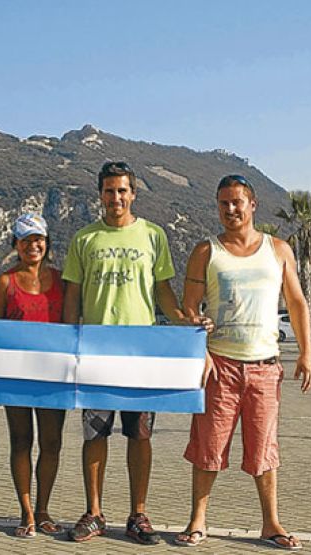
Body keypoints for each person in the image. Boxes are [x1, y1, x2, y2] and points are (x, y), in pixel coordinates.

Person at [175, 174, 311, 549]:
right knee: (208, 448)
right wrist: (199, 344)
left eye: (237, 202)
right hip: (218, 366)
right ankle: (197, 520)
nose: (231, 209)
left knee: (264, 450)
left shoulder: (279, 250)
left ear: (253, 205)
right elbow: (189, 308)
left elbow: (298, 302)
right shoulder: (206, 252)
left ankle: (271, 523)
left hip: (265, 368)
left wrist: (306, 354)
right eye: (224, 203)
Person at [62, 161, 185, 545]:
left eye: (122, 190)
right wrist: (69, 346)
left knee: (140, 435)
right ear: (99, 194)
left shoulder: (153, 235)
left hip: (141, 356)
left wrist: (184, 320)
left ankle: (138, 515)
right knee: (94, 436)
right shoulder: (84, 239)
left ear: (133, 194)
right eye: (109, 191)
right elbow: (72, 298)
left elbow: (163, 291)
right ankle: (94, 513)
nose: (116, 197)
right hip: (96, 354)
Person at [0, 213, 66, 538]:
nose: (33, 245)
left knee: (51, 443)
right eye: (25, 240)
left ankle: (44, 509)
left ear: (46, 243)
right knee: (21, 441)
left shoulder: (63, 280)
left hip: (53, 378)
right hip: (16, 378)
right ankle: (27, 512)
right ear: (16, 245)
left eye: (38, 239)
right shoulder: (5, 282)